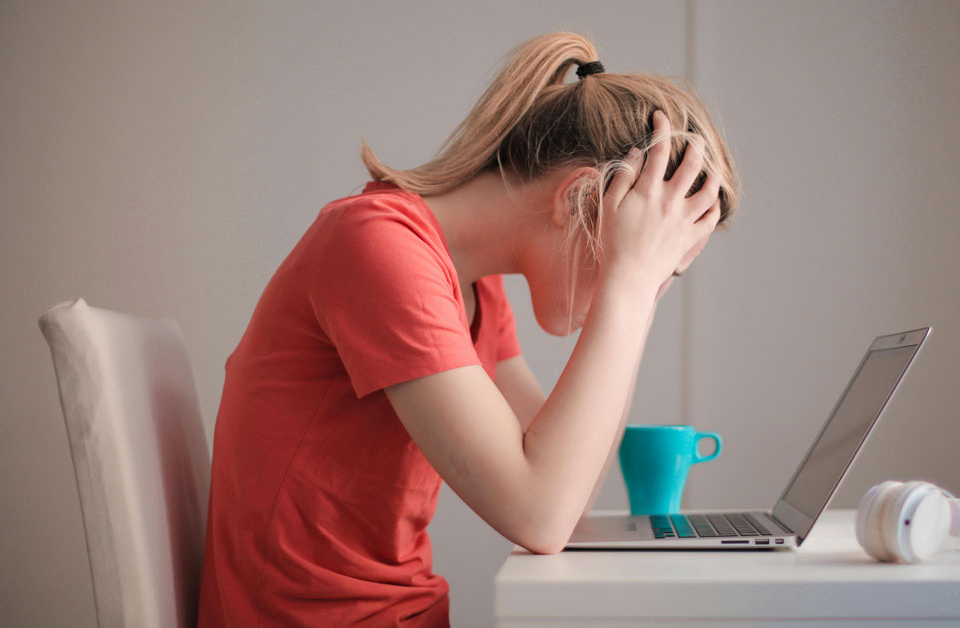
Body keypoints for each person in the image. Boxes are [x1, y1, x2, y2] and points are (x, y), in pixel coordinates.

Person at [198, 32, 739, 627]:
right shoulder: (377, 248)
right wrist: (629, 288)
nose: (647, 279)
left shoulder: (475, 289)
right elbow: (541, 514)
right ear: (581, 199)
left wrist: (637, 292)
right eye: (651, 255)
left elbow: (572, 488)